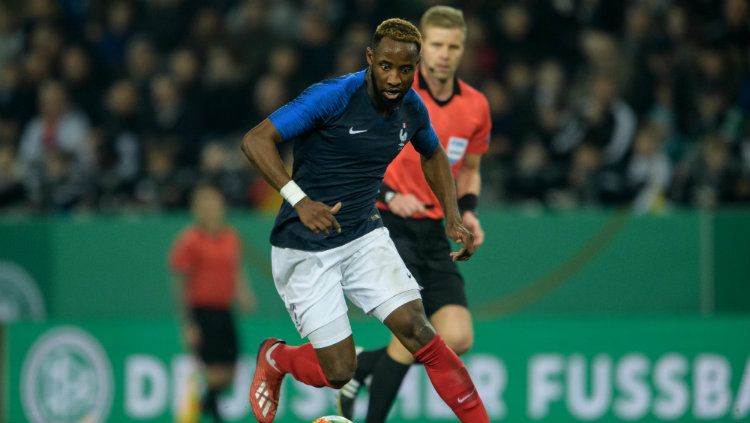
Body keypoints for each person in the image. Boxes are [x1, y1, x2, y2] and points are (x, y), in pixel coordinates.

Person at [240, 18, 489, 423]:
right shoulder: (334, 96)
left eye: (406, 69)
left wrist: (452, 213)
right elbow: (255, 140)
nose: (395, 78)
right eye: (386, 66)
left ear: (416, 67)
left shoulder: (411, 106)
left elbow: (434, 153)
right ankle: (276, 357)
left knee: (420, 333)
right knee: (339, 372)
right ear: (370, 58)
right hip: (303, 243)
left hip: (363, 235)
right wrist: (299, 200)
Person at [335, 6, 492, 421]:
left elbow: (471, 170)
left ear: (462, 49)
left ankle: (364, 366)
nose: (444, 54)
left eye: (453, 46)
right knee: (412, 335)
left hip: (435, 231)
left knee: (457, 336)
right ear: (422, 48)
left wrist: (468, 211)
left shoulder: (475, 106)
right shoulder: (394, 92)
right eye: (436, 45)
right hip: (389, 224)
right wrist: (388, 191)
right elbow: (359, 152)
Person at [169, 183, 256, 422]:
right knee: (213, 368)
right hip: (203, 312)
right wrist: (188, 323)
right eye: (205, 204)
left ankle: (206, 403)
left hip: (225, 310)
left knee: (232, 366)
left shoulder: (230, 237)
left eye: (214, 203)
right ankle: (207, 408)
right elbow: (180, 282)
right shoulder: (190, 240)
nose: (211, 209)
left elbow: (235, 269)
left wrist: (244, 294)